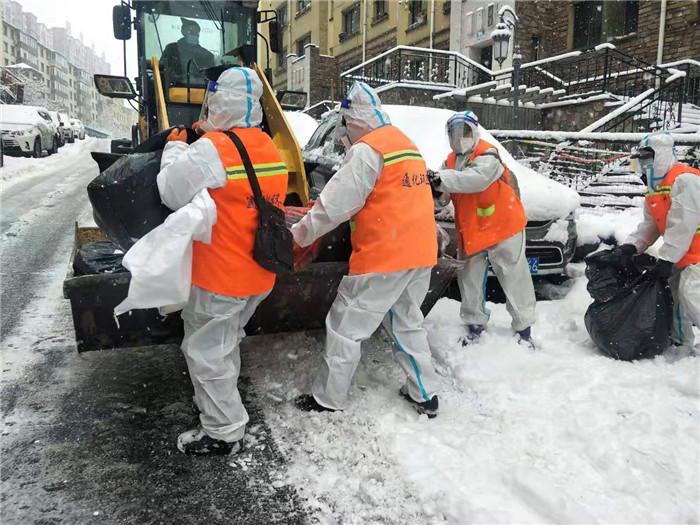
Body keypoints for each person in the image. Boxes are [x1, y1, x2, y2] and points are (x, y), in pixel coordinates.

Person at [157, 67, 288, 455]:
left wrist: (176, 148)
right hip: (259, 273)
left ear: (220, 102)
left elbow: (170, 191)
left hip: (221, 277)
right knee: (224, 343)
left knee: (206, 354)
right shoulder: (267, 145)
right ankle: (225, 415)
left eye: (213, 101)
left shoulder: (214, 148)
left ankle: (224, 432)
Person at [291, 81, 441, 417]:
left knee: (346, 327)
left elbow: (333, 206)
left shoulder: (368, 150)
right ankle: (425, 394)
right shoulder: (406, 144)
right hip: (418, 253)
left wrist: (298, 235)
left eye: (346, 125)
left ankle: (328, 399)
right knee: (406, 323)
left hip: (384, 256)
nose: (345, 133)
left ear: (354, 121)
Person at [430, 111, 536, 348]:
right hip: (473, 231)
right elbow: (443, 196)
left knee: (514, 278)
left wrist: (439, 179)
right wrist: (433, 189)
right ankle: (474, 325)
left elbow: (475, 179)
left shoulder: (488, 155)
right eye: (453, 133)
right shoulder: (449, 161)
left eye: (464, 131)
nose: (459, 137)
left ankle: (524, 329)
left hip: (503, 228)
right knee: (469, 280)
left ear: (475, 132)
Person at [616, 131, 700, 350]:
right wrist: (633, 245)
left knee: (691, 294)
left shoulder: (684, 180)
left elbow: (683, 224)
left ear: (660, 156)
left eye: (647, 159)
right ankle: (681, 342)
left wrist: (667, 258)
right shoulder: (654, 190)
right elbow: (651, 224)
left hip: (696, 254)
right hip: (685, 254)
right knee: (675, 296)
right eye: (640, 162)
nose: (643, 167)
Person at [160, 18, 215, 83]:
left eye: (196, 32)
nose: (193, 34)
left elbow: (211, 77)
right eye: (190, 31)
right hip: (174, 88)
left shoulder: (207, 55)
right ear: (183, 32)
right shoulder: (171, 49)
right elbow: (162, 69)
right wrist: (177, 77)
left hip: (202, 90)